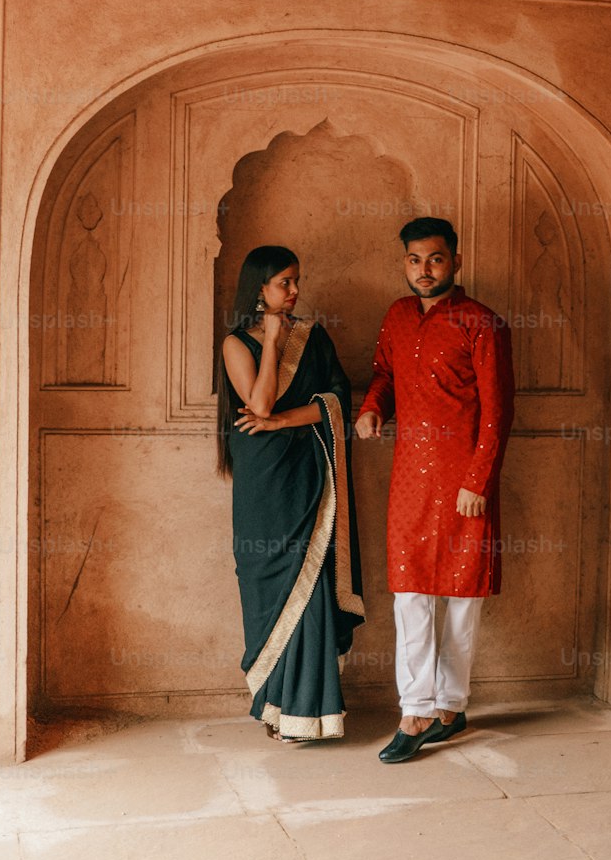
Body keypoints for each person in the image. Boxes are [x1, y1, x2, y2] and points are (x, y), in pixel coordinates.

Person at [356, 217, 515, 763]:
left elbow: (497, 412)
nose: (424, 270)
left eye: (436, 259)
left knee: (462, 598)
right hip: (409, 481)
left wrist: (478, 481)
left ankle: (451, 705)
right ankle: (417, 707)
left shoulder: (482, 323)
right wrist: (374, 406)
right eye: (414, 260)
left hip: (463, 480)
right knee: (410, 593)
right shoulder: (398, 318)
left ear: (456, 262)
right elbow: (383, 373)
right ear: (404, 262)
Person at [217, 245, 364, 741]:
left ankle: (308, 712)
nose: (295, 291)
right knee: (265, 579)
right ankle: (273, 704)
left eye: (297, 280)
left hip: (309, 469)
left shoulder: (315, 337)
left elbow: (337, 400)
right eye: (284, 282)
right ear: (259, 288)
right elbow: (257, 401)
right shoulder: (236, 343)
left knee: (314, 578)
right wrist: (274, 341)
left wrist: (282, 420)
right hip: (263, 479)